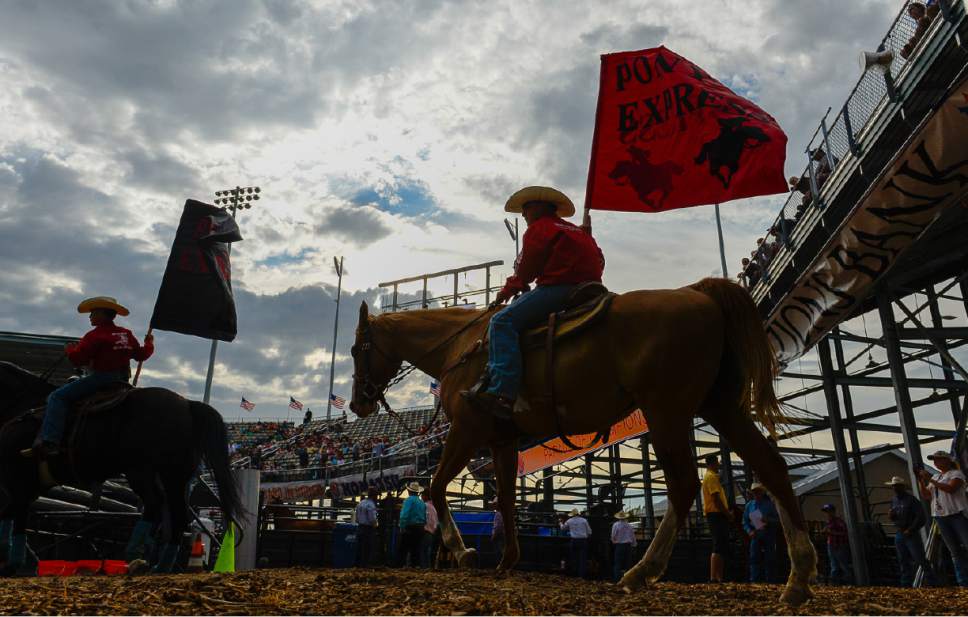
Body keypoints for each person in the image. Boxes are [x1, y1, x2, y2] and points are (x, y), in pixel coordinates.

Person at [462, 186, 605, 419]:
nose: (523, 215)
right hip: (593, 290)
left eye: (526, 208)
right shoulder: (578, 231)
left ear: (539, 207)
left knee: (501, 321)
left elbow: (526, 272)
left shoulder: (540, 228)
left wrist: (506, 292)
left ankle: (502, 392)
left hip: (560, 289)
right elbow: (600, 261)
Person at [29, 296, 153, 458]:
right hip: (122, 381)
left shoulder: (95, 335)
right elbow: (141, 355)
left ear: (102, 314)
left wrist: (70, 350)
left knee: (57, 397)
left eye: (93, 313)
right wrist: (149, 343)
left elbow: (78, 360)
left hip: (101, 378)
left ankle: (50, 441)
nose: (90, 317)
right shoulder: (126, 333)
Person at [918, 451, 968, 586]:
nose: (935, 462)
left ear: (947, 460)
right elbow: (927, 496)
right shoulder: (936, 476)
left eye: (938, 459)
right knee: (955, 551)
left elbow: (951, 488)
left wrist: (931, 480)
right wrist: (921, 481)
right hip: (940, 516)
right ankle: (963, 582)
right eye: (934, 460)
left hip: (957, 515)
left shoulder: (956, 474)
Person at [887, 475, 932, 587]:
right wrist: (891, 516)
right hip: (900, 532)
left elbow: (921, 517)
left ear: (903, 487)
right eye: (893, 486)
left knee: (919, 558)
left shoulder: (911, 500)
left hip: (910, 534)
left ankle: (932, 582)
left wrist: (911, 529)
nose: (894, 488)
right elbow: (894, 516)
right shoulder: (894, 500)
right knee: (902, 559)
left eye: (897, 486)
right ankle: (906, 584)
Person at [702, 454, 733, 583]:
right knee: (719, 545)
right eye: (717, 462)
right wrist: (727, 513)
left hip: (715, 514)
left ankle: (717, 577)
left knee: (720, 545)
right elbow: (716, 499)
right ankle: (715, 577)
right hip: (716, 514)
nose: (719, 465)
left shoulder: (709, 477)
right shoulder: (712, 477)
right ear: (713, 463)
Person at [743, 482, 779, 583]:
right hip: (755, 534)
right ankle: (755, 581)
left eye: (758, 492)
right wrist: (749, 531)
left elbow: (777, 520)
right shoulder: (749, 506)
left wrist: (768, 520)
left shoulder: (770, 505)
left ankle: (770, 581)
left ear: (762, 492)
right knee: (754, 558)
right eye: (754, 492)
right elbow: (745, 521)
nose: (756, 494)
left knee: (770, 559)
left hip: (768, 533)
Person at [398, 482, 427, 567]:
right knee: (416, 549)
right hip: (420, 527)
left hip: (410, 527)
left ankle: (400, 566)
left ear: (409, 491)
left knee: (403, 548)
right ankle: (415, 566)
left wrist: (402, 526)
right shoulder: (421, 502)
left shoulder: (408, 500)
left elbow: (404, 515)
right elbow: (424, 516)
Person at [821, 504, 851, 585]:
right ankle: (835, 582)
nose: (827, 514)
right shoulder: (828, 522)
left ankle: (847, 581)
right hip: (831, 544)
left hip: (840, 545)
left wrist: (831, 533)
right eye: (826, 512)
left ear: (833, 512)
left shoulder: (839, 522)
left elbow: (844, 533)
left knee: (843, 564)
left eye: (829, 512)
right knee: (834, 565)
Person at [561, 508, 592, 578]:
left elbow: (563, 528)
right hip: (583, 540)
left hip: (574, 540)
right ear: (578, 514)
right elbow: (590, 532)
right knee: (582, 558)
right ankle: (582, 575)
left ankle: (574, 574)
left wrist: (560, 523)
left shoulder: (569, 521)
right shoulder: (584, 520)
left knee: (574, 557)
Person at [610, 511, 636, 582]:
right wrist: (634, 545)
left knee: (618, 563)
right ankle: (628, 579)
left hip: (619, 545)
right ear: (625, 517)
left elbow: (613, 536)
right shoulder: (629, 525)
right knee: (628, 563)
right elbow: (633, 536)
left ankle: (617, 579)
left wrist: (613, 541)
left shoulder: (616, 525)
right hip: (628, 545)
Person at [356, 488, 379, 567]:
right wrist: (376, 525)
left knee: (360, 547)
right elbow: (372, 519)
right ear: (374, 496)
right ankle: (365, 565)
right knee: (368, 548)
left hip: (360, 527)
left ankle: (359, 564)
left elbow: (357, 517)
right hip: (368, 529)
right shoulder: (371, 505)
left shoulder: (361, 503)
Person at [420, 489, 438, 568]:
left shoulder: (425, 506)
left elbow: (424, 519)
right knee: (427, 552)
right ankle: (427, 568)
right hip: (432, 532)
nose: (421, 496)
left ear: (425, 496)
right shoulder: (434, 507)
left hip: (425, 531)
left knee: (422, 552)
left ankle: (423, 568)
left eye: (422, 495)